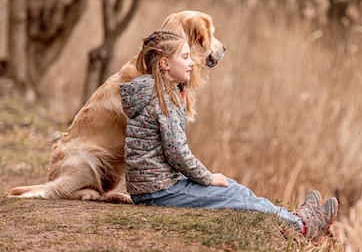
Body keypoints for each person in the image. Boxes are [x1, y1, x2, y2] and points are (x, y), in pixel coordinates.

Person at [120, 30, 338, 243]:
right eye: (185, 57)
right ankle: (303, 227)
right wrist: (207, 177)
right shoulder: (164, 100)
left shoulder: (147, 92)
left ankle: (293, 216)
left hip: (151, 188)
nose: (192, 63)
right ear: (165, 64)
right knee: (233, 195)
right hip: (160, 192)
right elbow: (177, 153)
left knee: (233, 186)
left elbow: (166, 147)